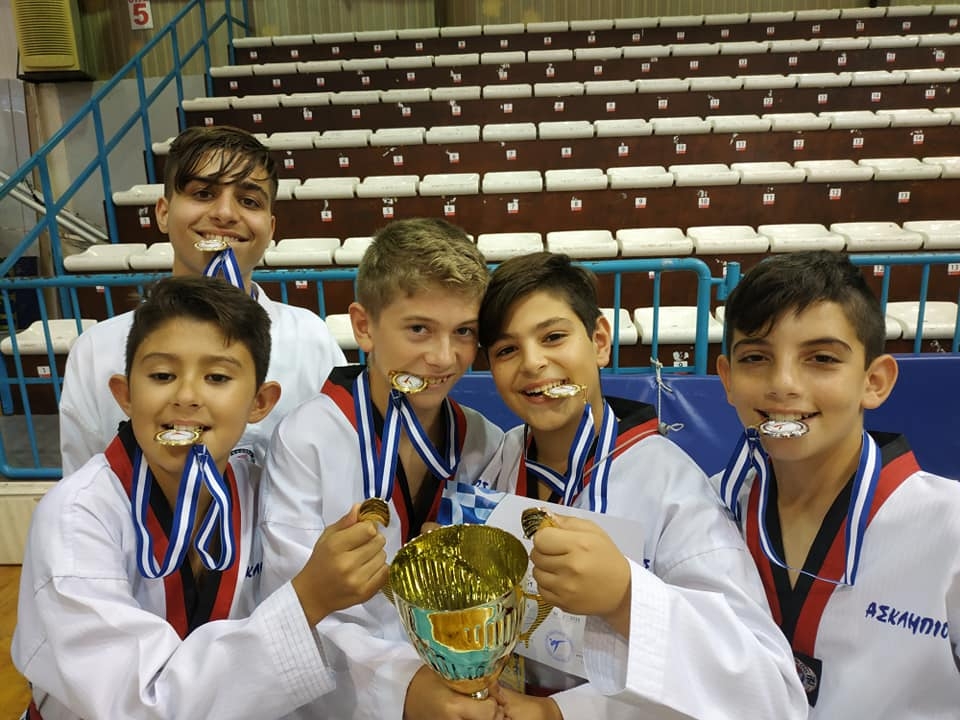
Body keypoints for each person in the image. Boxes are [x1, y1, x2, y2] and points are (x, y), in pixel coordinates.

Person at [13, 276, 388, 720]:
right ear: (125, 395)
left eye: (217, 377)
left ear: (260, 402)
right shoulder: (76, 518)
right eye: (162, 375)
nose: (187, 396)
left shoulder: (264, 492)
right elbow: (137, 704)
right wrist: (309, 597)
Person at [461, 251, 807, 719]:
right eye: (507, 350)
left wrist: (627, 598)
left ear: (600, 341)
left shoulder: (672, 486)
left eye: (554, 337)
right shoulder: (495, 464)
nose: (533, 362)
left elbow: (770, 693)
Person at [257, 218, 506, 720]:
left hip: (463, 689)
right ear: (364, 326)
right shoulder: (307, 439)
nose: (443, 357)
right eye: (419, 329)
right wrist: (403, 687)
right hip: (345, 704)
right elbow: (297, 608)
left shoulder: (485, 441)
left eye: (464, 332)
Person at [713, 250, 960, 718]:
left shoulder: (950, 527)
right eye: (756, 358)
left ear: (874, 381)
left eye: (821, 358)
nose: (783, 383)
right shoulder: (706, 507)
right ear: (727, 378)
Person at [59, 125, 346, 475]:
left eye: (249, 201)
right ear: (163, 213)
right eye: (204, 193)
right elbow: (85, 484)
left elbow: (338, 464)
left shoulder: (311, 339)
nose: (225, 213)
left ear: (270, 228)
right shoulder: (96, 351)